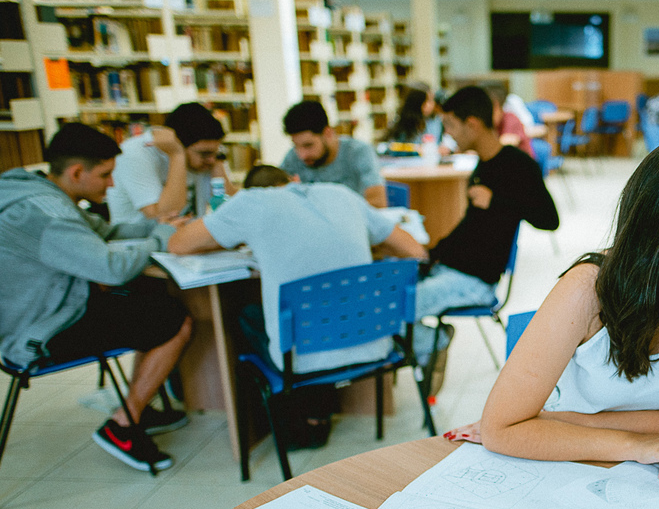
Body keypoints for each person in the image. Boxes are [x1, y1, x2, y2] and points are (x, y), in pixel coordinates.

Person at [447, 136, 659, 473]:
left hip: (634, 461)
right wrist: (635, 444)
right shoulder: (586, 288)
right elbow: (503, 431)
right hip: (554, 458)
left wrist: (552, 422)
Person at [167, 164, 426, 446]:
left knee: (250, 316)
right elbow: (415, 250)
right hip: (375, 345)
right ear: (295, 181)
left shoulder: (250, 203)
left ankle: (292, 419)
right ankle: (318, 412)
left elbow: (178, 244)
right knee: (320, 311)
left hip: (301, 359)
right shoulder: (342, 194)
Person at [0, 123, 192, 472]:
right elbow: (110, 268)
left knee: (149, 299)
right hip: (37, 332)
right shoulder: (46, 213)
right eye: (105, 175)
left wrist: (158, 227)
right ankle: (123, 425)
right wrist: (162, 238)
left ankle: (137, 402)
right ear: (76, 172)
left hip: (46, 309)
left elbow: (105, 232)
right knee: (174, 320)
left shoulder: (39, 193)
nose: (112, 184)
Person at [419, 86, 559, 329]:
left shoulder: (518, 165)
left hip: (477, 282)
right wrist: (431, 255)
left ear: (472, 124)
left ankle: (436, 342)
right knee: (392, 288)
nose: (449, 134)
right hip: (453, 268)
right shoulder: (482, 165)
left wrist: (495, 200)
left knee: (394, 306)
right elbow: (469, 226)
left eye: (451, 126)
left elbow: (549, 220)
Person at [108, 101, 227, 222]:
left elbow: (230, 208)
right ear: (178, 143)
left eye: (215, 153)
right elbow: (164, 217)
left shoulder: (206, 159)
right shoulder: (134, 153)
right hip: (140, 239)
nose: (211, 160)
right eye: (205, 154)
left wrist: (217, 162)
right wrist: (177, 155)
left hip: (184, 237)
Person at [279, 100, 387, 207]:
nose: (302, 155)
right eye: (296, 146)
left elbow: (378, 203)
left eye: (308, 145)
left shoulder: (358, 152)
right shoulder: (292, 158)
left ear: (328, 133)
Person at [386, 84, 440, 150]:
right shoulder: (403, 126)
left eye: (432, 100)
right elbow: (391, 146)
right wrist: (415, 148)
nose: (432, 104)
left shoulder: (435, 123)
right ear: (418, 103)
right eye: (428, 101)